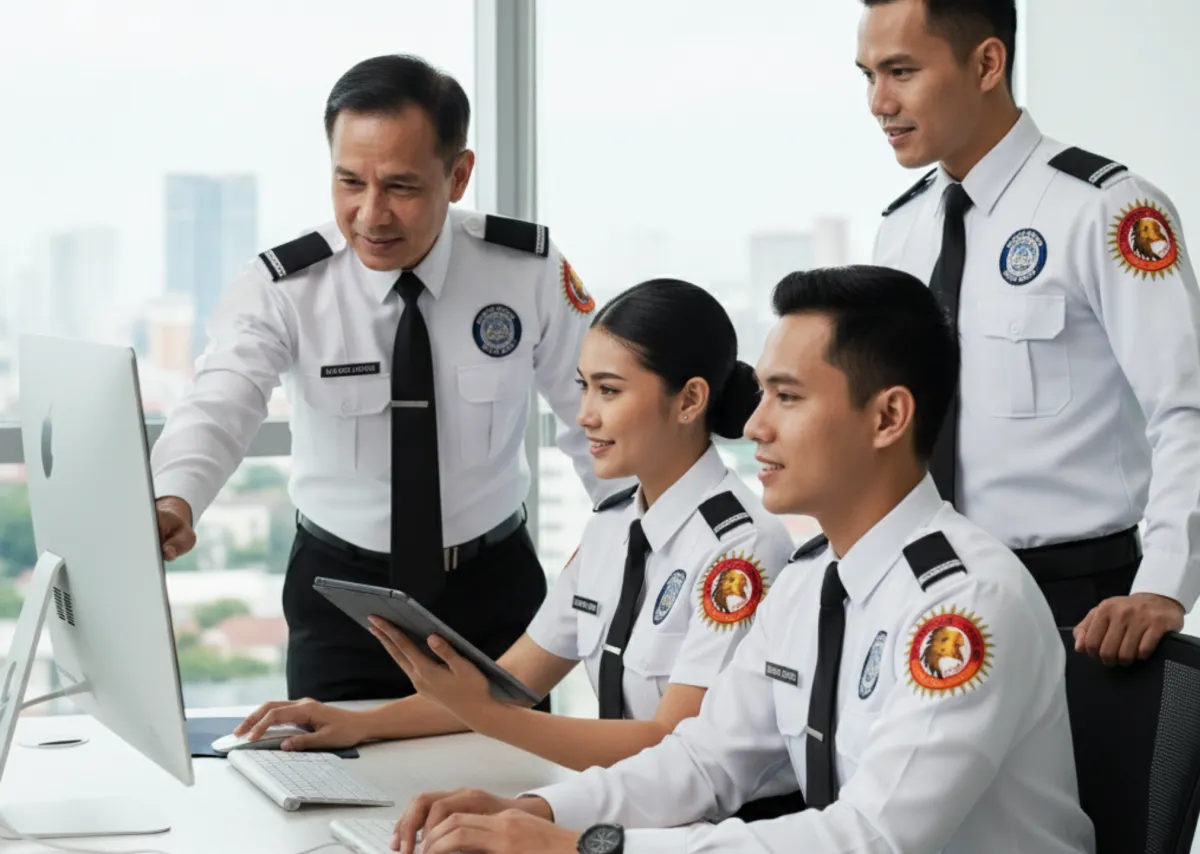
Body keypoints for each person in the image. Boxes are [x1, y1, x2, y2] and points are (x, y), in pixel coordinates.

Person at [387, 266, 1094, 854]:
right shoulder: (812, 581)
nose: (753, 425)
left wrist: (588, 846)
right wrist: (540, 811)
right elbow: (704, 761)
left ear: (887, 418)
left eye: (786, 398)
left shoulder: (964, 606)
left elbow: (872, 838)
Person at [150, 54, 617, 702]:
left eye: (400, 186)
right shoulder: (288, 286)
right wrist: (176, 494)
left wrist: (624, 528)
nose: (371, 214)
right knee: (329, 787)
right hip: (341, 599)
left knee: (509, 787)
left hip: (493, 591)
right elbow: (223, 396)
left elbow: (598, 412)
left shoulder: (524, 270)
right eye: (349, 183)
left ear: (458, 176)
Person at [236, 281, 797, 816]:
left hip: (729, 828)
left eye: (609, 389)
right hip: (635, 809)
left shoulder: (740, 550)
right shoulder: (614, 525)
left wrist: (484, 716)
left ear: (690, 400)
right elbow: (515, 681)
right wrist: (362, 723)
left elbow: (670, 746)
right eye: (583, 387)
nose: (585, 416)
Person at [860, 0, 1200, 665]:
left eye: (900, 71)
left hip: (1078, 604)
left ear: (987, 62)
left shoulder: (1105, 209)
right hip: (923, 592)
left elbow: (1186, 407)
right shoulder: (899, 230)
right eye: (867, 75)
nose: (878, 101)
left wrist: (1164, 583)